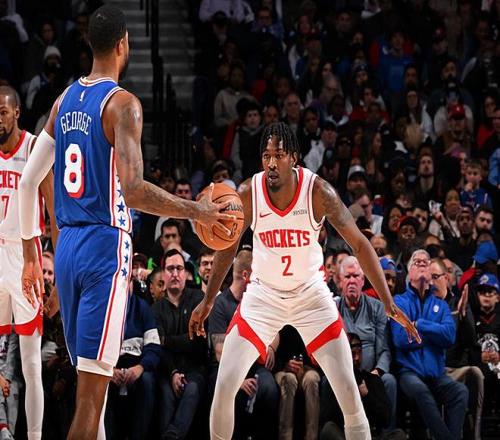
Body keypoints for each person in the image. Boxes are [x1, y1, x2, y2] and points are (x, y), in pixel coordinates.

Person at [18, 5, 234, 440]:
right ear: (123, 44)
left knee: (89, 390)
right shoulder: (123, 105)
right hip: (104, 248)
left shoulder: (63, 100)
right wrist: (197, 210)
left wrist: (30, 258)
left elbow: (27, 182)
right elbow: (133, 191)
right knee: (90, 399)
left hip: (68, 249)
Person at [189, 122, 419, 440]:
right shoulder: (248, 193)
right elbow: (227, 249)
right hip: (264, 297)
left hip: (311, 297)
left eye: (279, 155)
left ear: (294, 157)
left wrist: (389, 303)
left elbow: (360, 244)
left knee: (349, 395)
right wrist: (208, 299)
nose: (271, 162)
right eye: (266, 156)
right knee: (225, 385)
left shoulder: (318, 192)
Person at [0, 85, 57, 440]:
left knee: (30, 364)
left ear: (17, 112)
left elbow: (55, 216)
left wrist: (60, 276)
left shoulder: (35, 148)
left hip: (26, 258)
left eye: (2, 112)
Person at [390, 249, 469, 440]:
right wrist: (434, 336)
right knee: (420, 390)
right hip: (409, 373)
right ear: (409, 273)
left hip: (436, 375)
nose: (422, 263)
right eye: (416, 262)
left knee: (460, 391)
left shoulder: (441, 305)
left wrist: (419, 325)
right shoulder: (399, 302)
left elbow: (449, 337)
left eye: (425, 262)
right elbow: (400, 338)